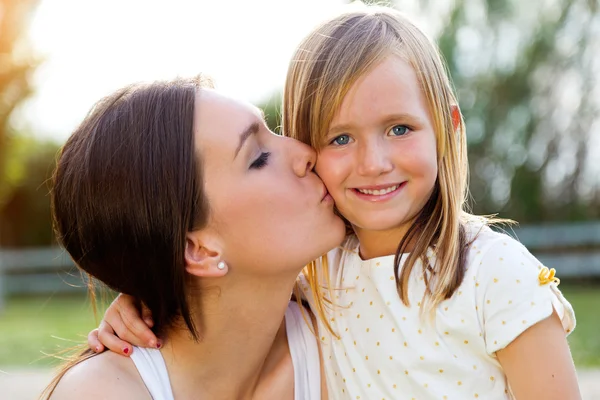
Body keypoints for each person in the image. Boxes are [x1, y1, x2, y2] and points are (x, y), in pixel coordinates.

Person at [89, 4, 581, 399]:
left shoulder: (495, 274)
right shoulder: (320, 272)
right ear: (308, 146)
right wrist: (143, 296)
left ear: (447, 130)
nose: (373, 162)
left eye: (399, 128)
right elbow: (229, 287)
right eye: (340, 138)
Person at [43, 75, 345, 400]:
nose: (305, 152)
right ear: (196, 249)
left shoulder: (352, 335)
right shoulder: (102, 394)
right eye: (258, 158)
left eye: (273, 130)